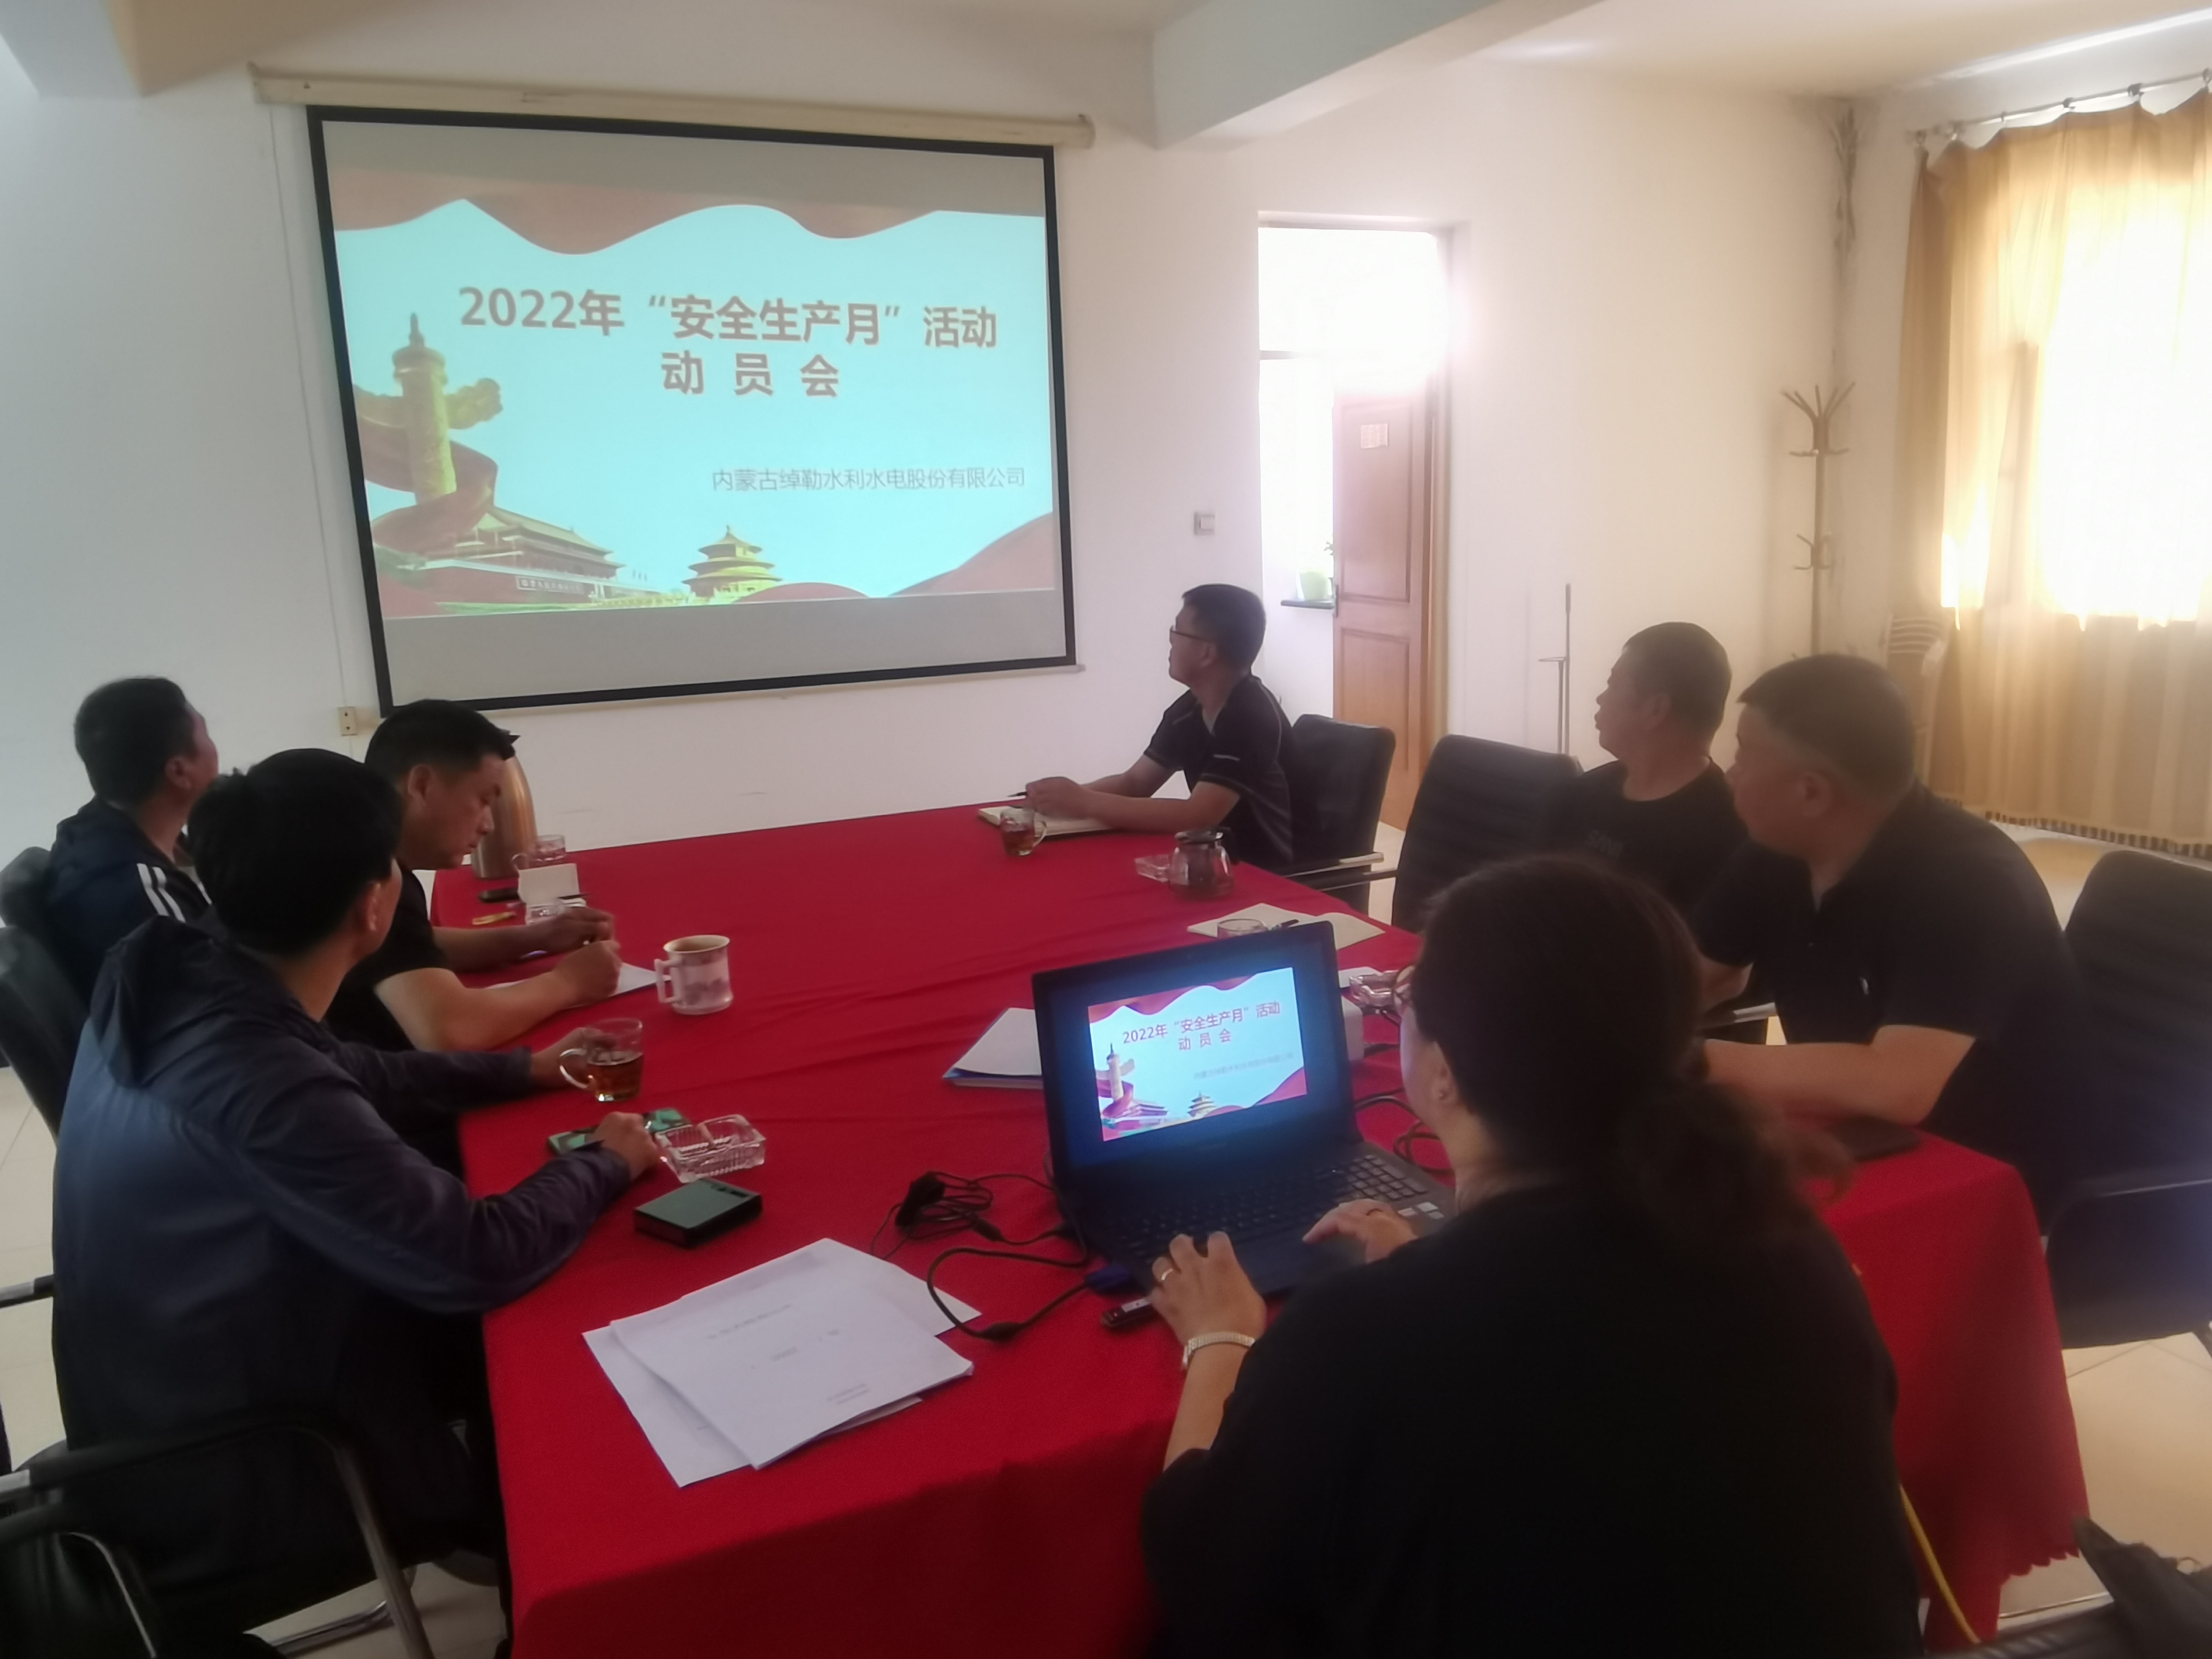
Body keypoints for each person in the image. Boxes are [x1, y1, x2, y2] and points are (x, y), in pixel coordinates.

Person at [1140, 856, 1922, 1659]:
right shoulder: (1784, 1236)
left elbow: (1202, 1576)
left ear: (1443, 1073)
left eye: (1409, 1002)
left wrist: (1220, 1340)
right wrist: (1433, 1272)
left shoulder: (1360, 1335)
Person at [51, 748, 658, 1613]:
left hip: (158, 1390)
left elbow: (351, 1070)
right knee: (571, 1328)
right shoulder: (258, 1083)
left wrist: (527, 1069)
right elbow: (474, 1258)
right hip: (253, 1465)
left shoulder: (171, 961)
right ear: (374, 906)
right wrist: (604, 1161)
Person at [1694, 654, 2101, 1214]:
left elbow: (1899, 1084)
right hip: (1860, 1132)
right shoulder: (1779, 850)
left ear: (1812, 793)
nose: (1730, 773)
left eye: (1744, 754)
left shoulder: (1969, 884)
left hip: (1996, 1176)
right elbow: (1700, 974)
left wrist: (1697, 1061)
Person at [327, 699, 620, 1052]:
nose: (488, 825)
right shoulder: (372, 876)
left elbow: (413, 942)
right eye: (482, 800)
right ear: (422, 785)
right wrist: (569, 982)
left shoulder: (358, 846)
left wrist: (535, 937)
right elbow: (449, 1032)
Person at [1025, 585, 1294, 869]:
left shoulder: (1250, 718)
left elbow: (1197, 816)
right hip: (1216, 861)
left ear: (1206, 653)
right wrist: (1057, 799)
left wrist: (1084, 802)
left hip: (1271, 874)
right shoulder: (1188, 710)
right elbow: (1135, 783)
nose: (1170, 642)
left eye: (1177, 633)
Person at [1542, 622, 1745, 915]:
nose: (1601, 698)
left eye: (1613, 685)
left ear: (1655, 710)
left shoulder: (1729, 835)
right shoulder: (1574, 796)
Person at [41, 676, 220, 998]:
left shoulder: (88, 833)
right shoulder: (140, 897)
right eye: (206, 734)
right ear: (179, 772)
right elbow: (219, 1003)